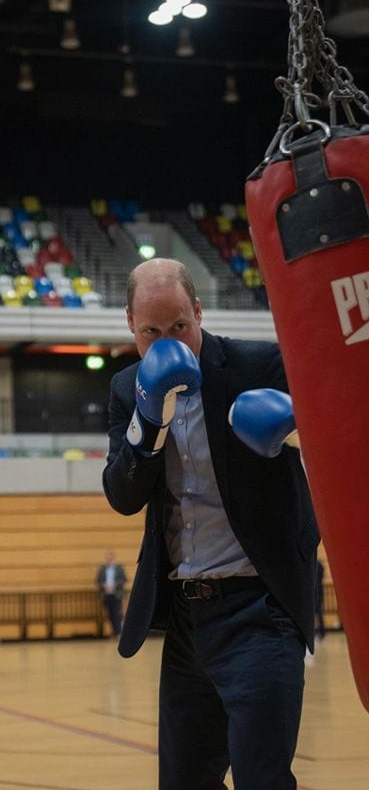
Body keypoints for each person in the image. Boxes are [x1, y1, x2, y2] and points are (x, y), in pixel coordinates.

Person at [102, 259, 318, 790]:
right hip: (184, 619)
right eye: (151, 331)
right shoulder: (129, 388)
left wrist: (294, 432)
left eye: (179, 327)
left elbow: (338, 441)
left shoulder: (258, 364)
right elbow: (122, 496)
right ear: (131, 324)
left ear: (198, 312)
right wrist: (147, 425)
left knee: (261, 778)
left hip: (260, 610)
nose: (166, 341)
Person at [95, 550, 126, 637]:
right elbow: (98, 581)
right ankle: (114, 632)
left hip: (116, 594)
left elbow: (123, 579)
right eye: (107, 558)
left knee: (117, 613)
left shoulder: (119, 568)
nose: (108, 559)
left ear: (112, 558)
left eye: (110, 557)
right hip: (106, 594)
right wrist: (103, 585)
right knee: (109, 614)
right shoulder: (102, 569)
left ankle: (119, 632)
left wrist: (115, 585)